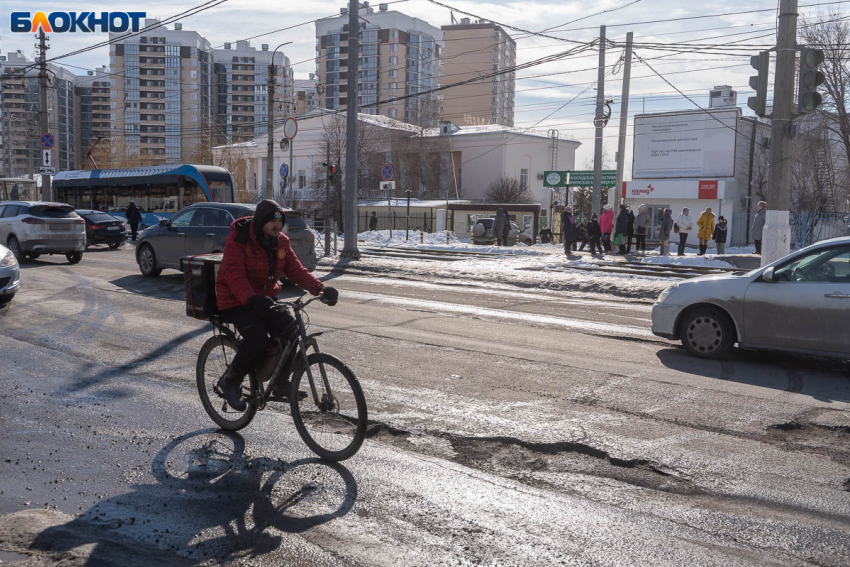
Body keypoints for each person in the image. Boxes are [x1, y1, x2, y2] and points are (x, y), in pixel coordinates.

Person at [215, 199, 339, 411]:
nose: (277, 226)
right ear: (261, 221)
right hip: (235, 299)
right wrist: (251, 299)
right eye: (273, 222)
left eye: (280, 222)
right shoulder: (240, 238)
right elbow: (233, 273)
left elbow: (295, 270)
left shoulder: (280, 242)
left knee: (290, 330)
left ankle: (281, 381)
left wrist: (319, 288)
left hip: (263, 299)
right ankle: (230, 381)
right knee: (257, 338)